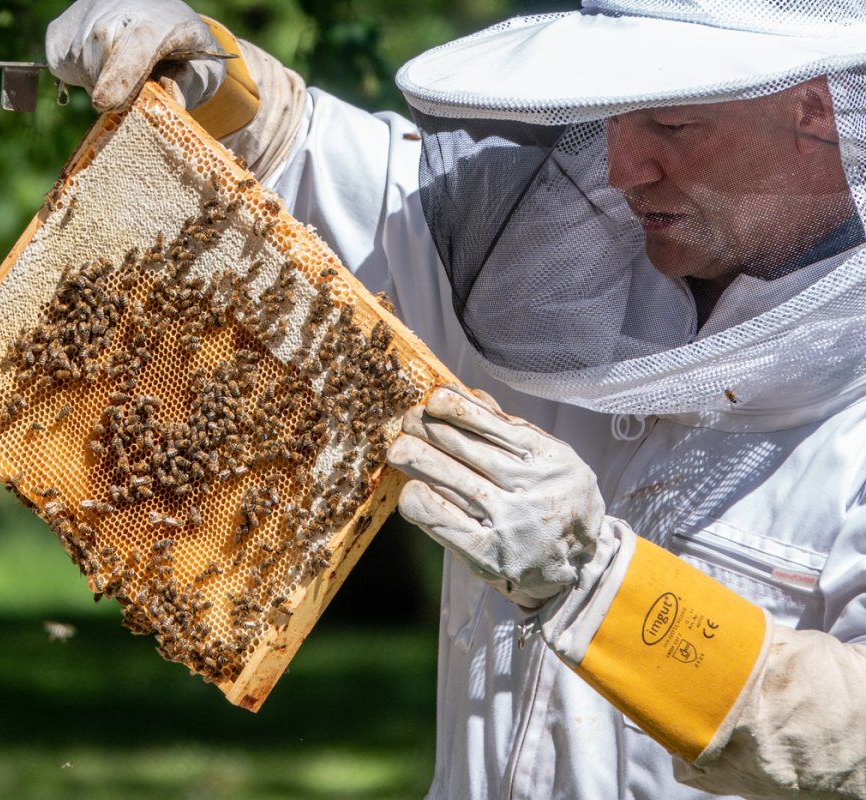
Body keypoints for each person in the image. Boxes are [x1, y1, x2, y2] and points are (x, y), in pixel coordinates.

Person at [45, 2, 866, 798]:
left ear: (815, 110)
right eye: (615, 117)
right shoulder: (542, 257)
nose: (623, 170)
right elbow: (322, 160)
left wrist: (598, 588)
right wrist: (210, 77)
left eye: (672, 126)